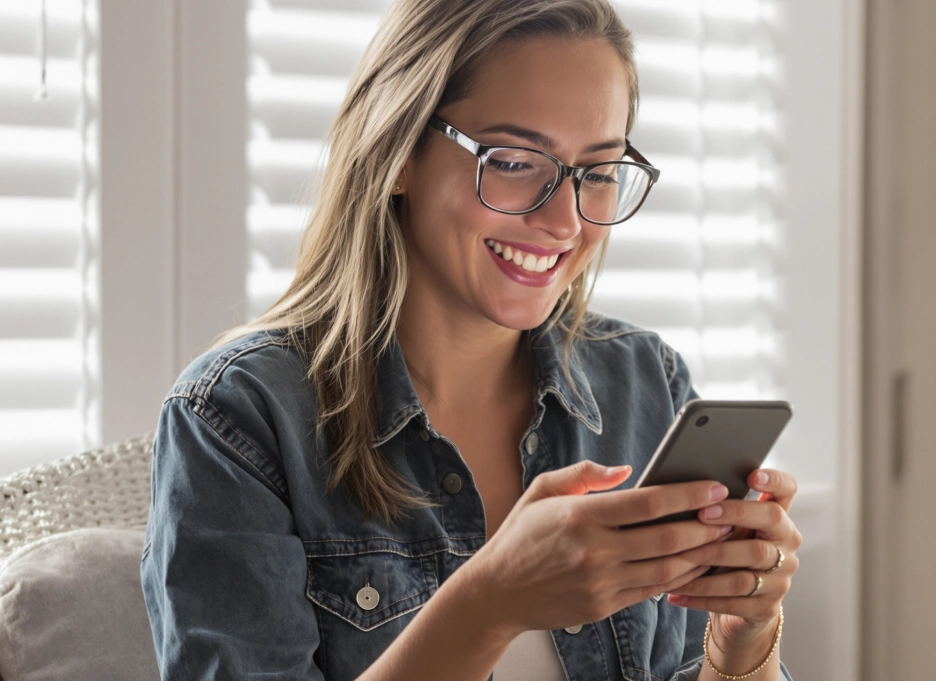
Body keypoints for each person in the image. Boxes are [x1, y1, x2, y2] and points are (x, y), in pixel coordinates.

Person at [140, 1, 801, 679]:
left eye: (597, 173)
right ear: (397, 153)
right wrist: (487, 604)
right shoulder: (235, 419)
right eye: (514, 161)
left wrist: (743, 640)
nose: (563, 220)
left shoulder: (645, 382)